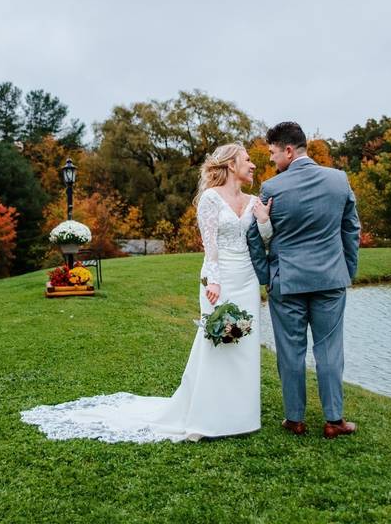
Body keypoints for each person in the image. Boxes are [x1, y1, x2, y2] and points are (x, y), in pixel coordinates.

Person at [20, 143, 272, 442]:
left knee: (243, 343)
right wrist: (213, 281)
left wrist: (264, 219)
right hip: (220, 279)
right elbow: (210, 245)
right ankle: (210, 414)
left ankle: (241, 415)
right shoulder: (210, 198)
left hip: (246, 280)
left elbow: (264, 241)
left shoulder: (255, 200)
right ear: (231, 164)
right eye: (246, 159)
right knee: (216, 342)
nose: (252, 164)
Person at [246, 122, 361, 439]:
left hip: (287, 281)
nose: (270, 160)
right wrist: (347, 270)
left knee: (290, 352)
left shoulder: (272, 188)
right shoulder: (339, 181)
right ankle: (334, 421)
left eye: (272, 153)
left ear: (288, 150)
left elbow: (255, 237)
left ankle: (294, 418)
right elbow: (351, 230)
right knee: (329, 351)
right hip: (330, 280)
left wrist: (265, 274)